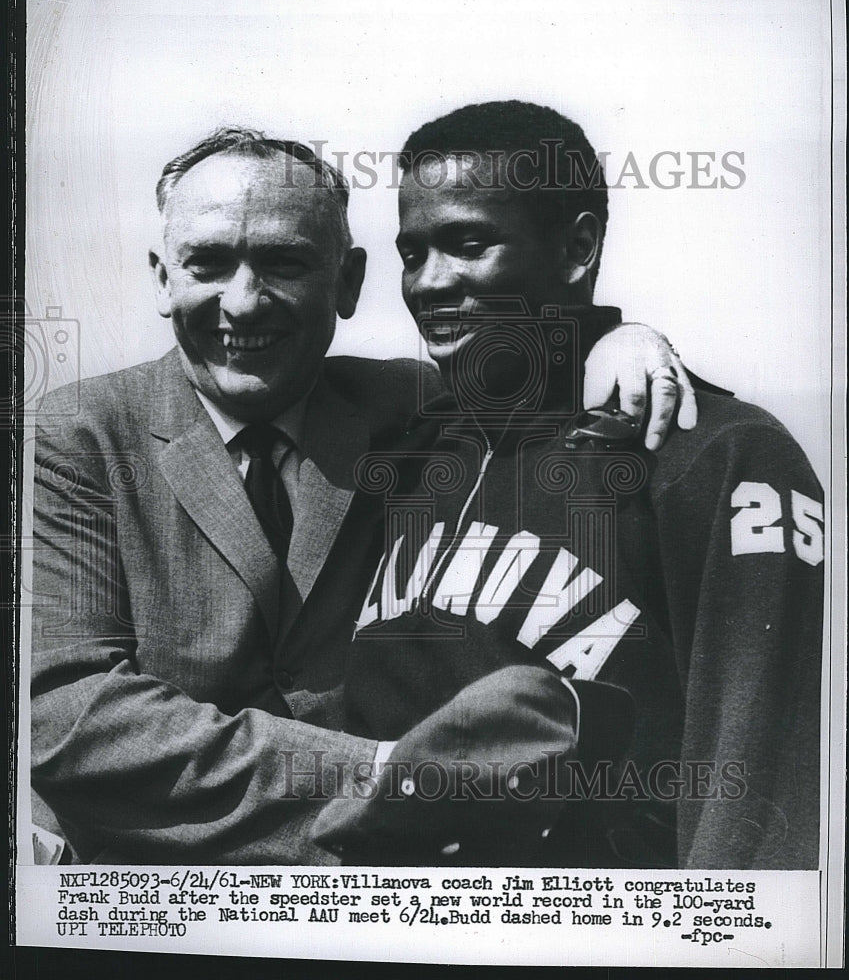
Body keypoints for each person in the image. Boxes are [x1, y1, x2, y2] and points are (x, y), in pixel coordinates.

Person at [29, 129, 691, 865]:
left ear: (346, 282)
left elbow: (531, 362)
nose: (244, 303)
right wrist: (391, 777)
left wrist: (618, 341)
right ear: (162, 278)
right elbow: (66, 715)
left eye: (285, 262)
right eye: (209, 262)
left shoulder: (408, 405)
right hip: (169, 898)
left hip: (383, 896)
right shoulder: (82, 433)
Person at [313, 100, 824, 870]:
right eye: (412, 253)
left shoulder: (720, 451)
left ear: (577, 246)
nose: (429, 282)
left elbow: (755, 785)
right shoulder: (403, 454)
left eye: (468, 243)